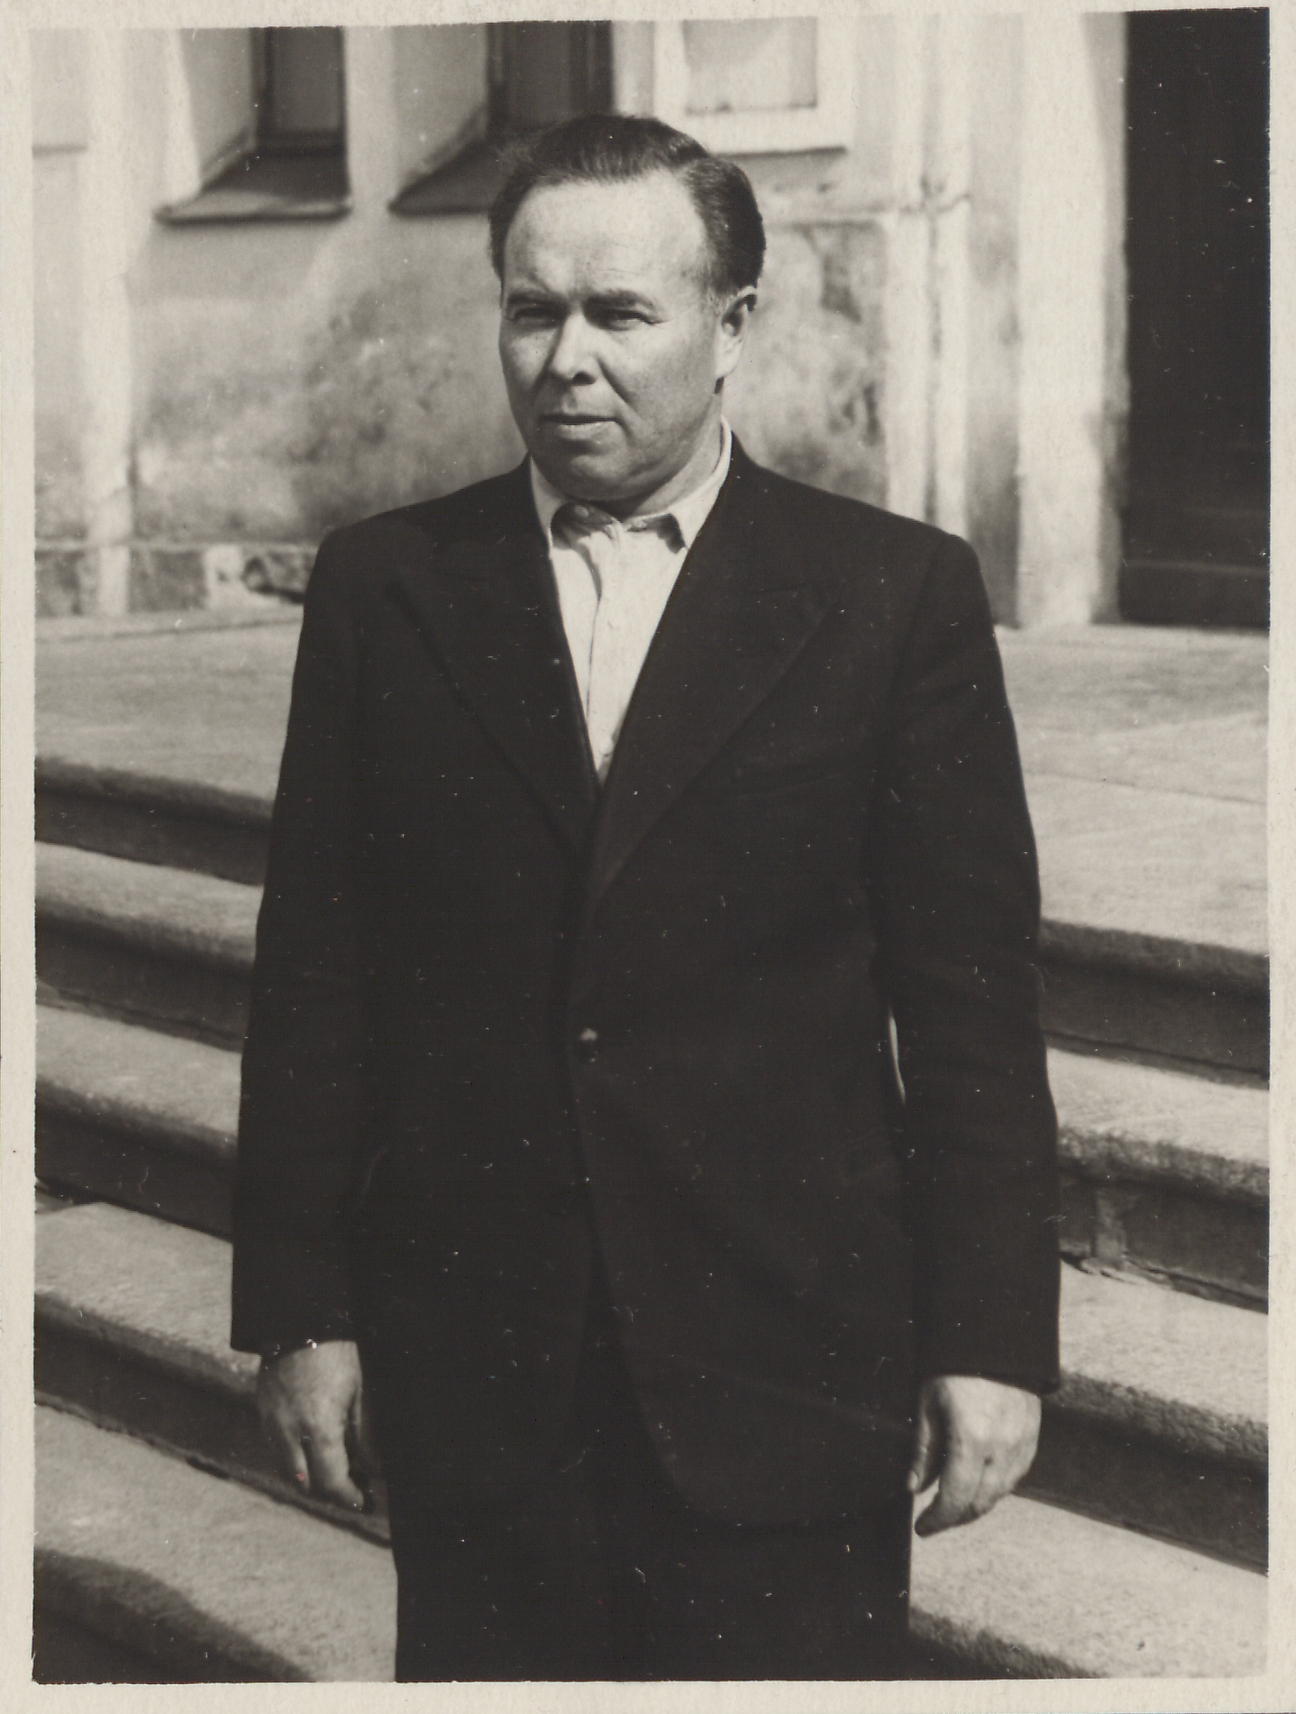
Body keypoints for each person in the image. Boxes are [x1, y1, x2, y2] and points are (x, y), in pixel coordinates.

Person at [231, 115, 1060, 1682]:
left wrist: (991, 1334)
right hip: (485, 1370)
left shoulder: (892, 596)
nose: (568, 360)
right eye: (532, 311)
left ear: (732, 325)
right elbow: (315, 976)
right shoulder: (389, 587)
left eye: (620, 313)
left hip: (789, 1360)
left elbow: (970, 1005)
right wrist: (300, 1307)